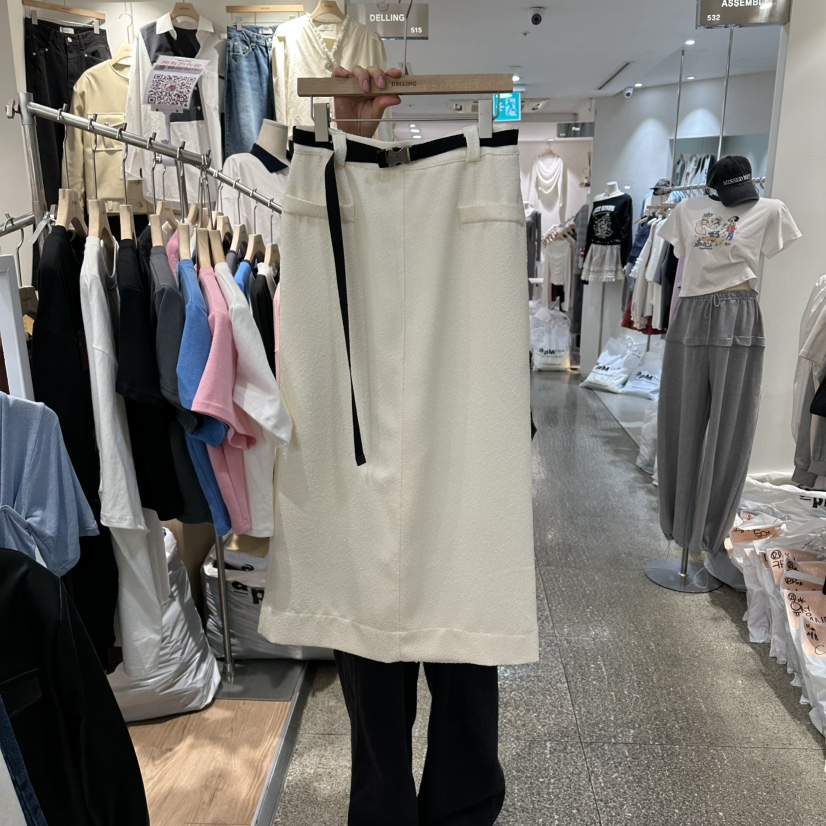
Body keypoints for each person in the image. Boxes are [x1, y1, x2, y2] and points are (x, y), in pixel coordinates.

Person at [326, 65, 508, 826]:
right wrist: (347, 139)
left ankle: (451, 810)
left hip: (458, 420)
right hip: (359, 426)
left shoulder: (481, 219)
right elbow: (303, 221)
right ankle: (390, 813)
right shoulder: (324, 208)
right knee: (375, 647)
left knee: (463, 634)